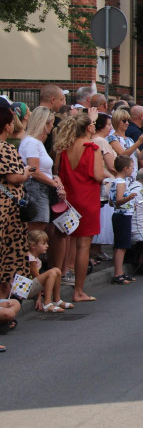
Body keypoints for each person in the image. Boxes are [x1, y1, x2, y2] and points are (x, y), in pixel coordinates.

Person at [53, 110, 103, 303]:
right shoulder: (92, 148)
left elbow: (57, 171)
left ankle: (56, 292)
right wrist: (108, 175)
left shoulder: (63, 147)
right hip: (88, 199)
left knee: (63, 243)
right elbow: (98, 175)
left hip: (68, 199)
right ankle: (79, 291)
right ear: (89, 128)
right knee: (83, 246)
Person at [0, 105, 32, 313]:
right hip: (8, 212)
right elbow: (14, 177)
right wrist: (27, 171)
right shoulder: (5, 148)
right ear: (6, 126)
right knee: (9, 261)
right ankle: (5, 307)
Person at [19, 106, 61, 233]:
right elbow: (34, 170)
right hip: (36, 188)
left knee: (40, 226)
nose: (52, 127)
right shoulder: (32, 142)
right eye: (51, 123)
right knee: (37, 228)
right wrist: (53, 183)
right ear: (44, 124)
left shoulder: (34, 141)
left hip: (40, 187)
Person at [109, 156, 139, 284]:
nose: (133, 170)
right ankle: (118, 273)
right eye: (132, 167)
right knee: (122, 245)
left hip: (119, 214)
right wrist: (130, 198)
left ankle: (119, 271)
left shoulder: (114, 181)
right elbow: (118, 201)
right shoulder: (121, 182)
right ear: (126, 168)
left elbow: (112, 202)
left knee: (120, 245)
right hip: (123, 215)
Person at [26, 230, 67, 313]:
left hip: (31, 286)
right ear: (33, 245)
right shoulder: (30, 259)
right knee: (52, 272)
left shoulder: (35, 258)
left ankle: (57, 300)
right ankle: (47, 303)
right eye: (43, 244)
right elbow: (37, 278)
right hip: (24, 289)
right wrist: (39, 298)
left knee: (57, 271)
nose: (47, 246)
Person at [108, 108, 143, 177]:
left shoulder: (130, 139)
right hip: (123, 176)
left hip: (134, 174)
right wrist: (138, 142)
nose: (127, 123)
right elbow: (123, 155)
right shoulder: (112, 138)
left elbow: (139, 156)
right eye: (124, 121)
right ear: (117, 121)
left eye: (128, 121)